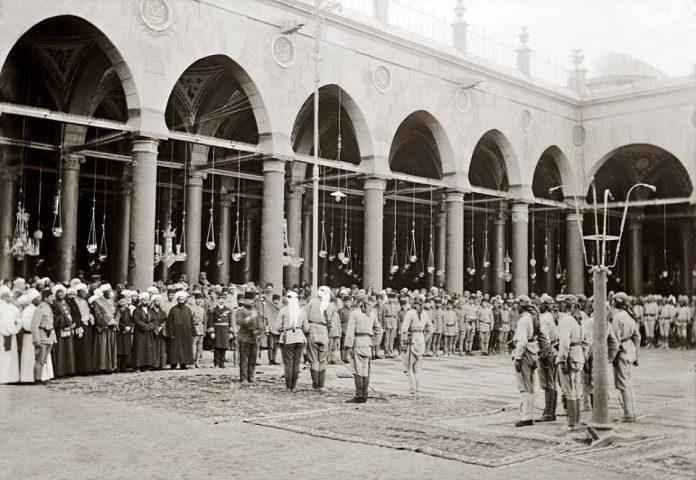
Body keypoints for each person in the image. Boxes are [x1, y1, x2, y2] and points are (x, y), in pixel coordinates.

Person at [556, 295, 588, 431]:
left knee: (568, 389)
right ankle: (577, 421)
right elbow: (587, 342)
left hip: (569, 356)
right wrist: (583, 355)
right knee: (577, 389)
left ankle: (571, 423)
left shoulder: (566, 320)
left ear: (566, 306)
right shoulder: (580, 320)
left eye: (563, 304)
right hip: (579, 355)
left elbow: (564, 342)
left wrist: (562, 359)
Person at [344, 293, 383, 403]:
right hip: (368, 342)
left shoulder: (355, 314)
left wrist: (349, 346)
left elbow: (350, 331)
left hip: (358, 341)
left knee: (357, 370)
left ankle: (359, 395)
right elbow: (379, 331)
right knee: (366, 370)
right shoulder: (372, 314)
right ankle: (365, 395)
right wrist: (374, 342)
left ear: (359, 302)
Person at [611, 292, 641, 422]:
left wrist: (612, 356)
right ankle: (632, 412)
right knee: (628, 382)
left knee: (623, 383)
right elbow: (637, 336)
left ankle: (628, 414)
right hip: (630, 349)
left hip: (622, 350)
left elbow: (614, 338)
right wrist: (636, 355)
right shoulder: (630, 315)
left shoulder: (617, 317)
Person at [511, 295, 540, 427]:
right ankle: (529, 415)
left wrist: (517, 357)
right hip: (533, 351)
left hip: (525, 353)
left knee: (524, 386)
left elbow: (522, 341)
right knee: (531, 386)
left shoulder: (523, 320)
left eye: (517, 304)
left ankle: (526, 416)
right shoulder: (532, 318)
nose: (515, 306)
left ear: (521, 306)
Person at [400, 296, 432, 396]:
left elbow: (404, 328)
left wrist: (404, 342)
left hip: (412, 338)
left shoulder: (410, 313)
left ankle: (412, 388)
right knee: (417, 366)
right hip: (421, 338)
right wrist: (424, 338)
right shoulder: (425, 314)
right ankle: (418, 388)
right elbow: (430, 329)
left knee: (408, 365)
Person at [278, 291, 309, 392]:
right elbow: (306, 327)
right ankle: (293, 386)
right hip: (300, 337)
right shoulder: (302, 311)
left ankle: (288, 386)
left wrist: (283, 330)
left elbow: (278, 327)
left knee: (288, 363)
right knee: (296, 363)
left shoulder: (283, 311)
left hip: (288, 337)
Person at [304, 286, 333, 390]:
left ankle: (315, 384)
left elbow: (304, 316)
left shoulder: (312, 302)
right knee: (322, 360)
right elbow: (330, 322)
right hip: (324, 331)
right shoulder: (329, 305)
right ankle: (321, 384)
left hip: (312, 330)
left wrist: (306, 330)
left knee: (313, 359)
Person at [537, 295, 559, 422]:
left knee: (548, 383)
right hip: (554, 350)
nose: (539, 306)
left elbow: (544, 338)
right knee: (553, 383)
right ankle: (551, 411)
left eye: (541, 304)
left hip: (547, 352)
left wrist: (542, 354)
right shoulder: (553, 316)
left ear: (545, 305)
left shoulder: (544, 318)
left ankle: (549, 412)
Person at [236, 291, 263, 384]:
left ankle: (251, 377)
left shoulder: (256, 311)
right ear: (245, 300)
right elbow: (238, 322)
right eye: (250, 299)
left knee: (252, 358)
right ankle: (243, 378)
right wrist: (248, 319)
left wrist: (259, 330)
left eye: (252, 300)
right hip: (244, 337)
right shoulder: (241, 311)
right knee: (244, 359)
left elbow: (260, 323)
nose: (252, 302)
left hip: (254, 337)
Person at [31, 288, 57, 384]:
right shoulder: (40, 309)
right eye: (51, 297)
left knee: (44, 360)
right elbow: (34, 325)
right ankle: (37, 379)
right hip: (42, 337)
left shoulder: (48, 307)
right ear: (45, 298)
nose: (53, 298)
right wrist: (36, 340)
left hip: (49, 337)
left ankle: (40, 377)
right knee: (39, 359)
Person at [50, 284, 76, 378]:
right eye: (59, 292)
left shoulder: (66, 303)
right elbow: (54, 317)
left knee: (68, 350)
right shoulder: (54, 303)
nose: (61, 294)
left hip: (68, 328)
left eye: (62, 292)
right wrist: (64, 320)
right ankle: (59, 372)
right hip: (59, 330)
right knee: (60, 351)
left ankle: (67, 370)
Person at [166, 291, 196, 369]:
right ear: (177, 300)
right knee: (175, 348)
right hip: (176, 333)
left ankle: (183, 364)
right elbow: (170, 322)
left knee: (185, 348)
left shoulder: (188, 309)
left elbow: (191, 321)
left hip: (186, 333)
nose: (181, 300)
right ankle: (174, 364)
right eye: (180, 299)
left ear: (185, 300)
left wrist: (193, 332)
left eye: (183, 299)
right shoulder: (173, 309)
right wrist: (171, 333)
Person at [93, 284, 118, 373]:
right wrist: (107, 322)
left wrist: (115, 322)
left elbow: (117, 313)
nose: (109, 292)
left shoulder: (113, 301)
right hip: (104, 328)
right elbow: (98, 315)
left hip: (112, 327)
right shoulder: (97, 302)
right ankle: (101, 367)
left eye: (110, 290)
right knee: (103, 347)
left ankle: (110, 367)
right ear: (103, 292)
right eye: (107, 291)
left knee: (111, 347)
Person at [71, 284, 95, 375]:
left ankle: (88, 368)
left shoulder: (85, 301)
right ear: (78, 292)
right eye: (83, 292)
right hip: (80, 325)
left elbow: (89, 311)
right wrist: (78, 327)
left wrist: (90, 316)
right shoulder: (74, 302)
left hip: (87, 325)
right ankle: (81, 369)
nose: (85, 293)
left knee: (88, 347)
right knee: (81, 348)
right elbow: (75, 315)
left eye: (86, 292)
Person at [18, 289, 41, 383]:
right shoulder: (28, 310)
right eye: (37, 298)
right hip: (29, 336)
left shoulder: (36, 308)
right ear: (33, 300)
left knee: (35, 357)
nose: (39, 300)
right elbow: (26, 324)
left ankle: (35, 376)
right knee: (29, 357)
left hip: (36, 334)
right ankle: (27, 378)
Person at [0, 285, 21, 384]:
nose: (10, 298)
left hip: (11, 335)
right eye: (7, 296)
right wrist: (7, 330)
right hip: (2, 335)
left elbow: (18, 319)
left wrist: (16, 324)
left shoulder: (12, 307)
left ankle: (11, 377)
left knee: (11, 357)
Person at [131, 292, 155, 371]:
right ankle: (137, 366)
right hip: (139, 333)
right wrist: (145, 327)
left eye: (147, 300)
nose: (146, 302)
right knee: (139, 349)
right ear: (141, 301)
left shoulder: (150, 310)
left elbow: (154, 320)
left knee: (147, 349)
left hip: (148, 333)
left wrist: (149, 327)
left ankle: (146, 365)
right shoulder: (136, 310)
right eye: (144, 300)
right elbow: (136, 320)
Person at [208, 294, 233, 368]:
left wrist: (230, 332)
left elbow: (230, 322)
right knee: (217, 347)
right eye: (220, 299)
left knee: (224, 347)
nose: (222, 300)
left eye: (223, 299)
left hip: (225, 330)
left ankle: (222, 362)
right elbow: (210, 321)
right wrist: (212, 332)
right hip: (217, 330)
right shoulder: (213, 310)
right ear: (218, 300)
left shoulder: (228, 310)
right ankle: (216, 363)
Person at [190, 293, 207, 368]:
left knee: (200, 346)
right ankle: (192, 362)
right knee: (193, 345)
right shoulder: (192, 308)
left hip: (201, 329)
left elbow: (205, 321)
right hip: (195, 328)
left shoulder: (202, 309)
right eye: (198, 299)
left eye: (201, 299)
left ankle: (197, 362)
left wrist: (204, 330)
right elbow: (190, 320)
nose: (199, 301)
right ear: (195, 300)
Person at [381, 292, 399, 358]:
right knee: (387, 338)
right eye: (390, 298)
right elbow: (383, 315)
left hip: (393, 320)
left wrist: (396, 323)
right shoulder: (385, 305)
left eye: (393, 298)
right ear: (388, 299)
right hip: (387, 319)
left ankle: (391, 352)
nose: (391, 300)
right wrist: (383, 324)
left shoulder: (396, 306)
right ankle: (386, 352)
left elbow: (396, 315)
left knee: (392, 339)